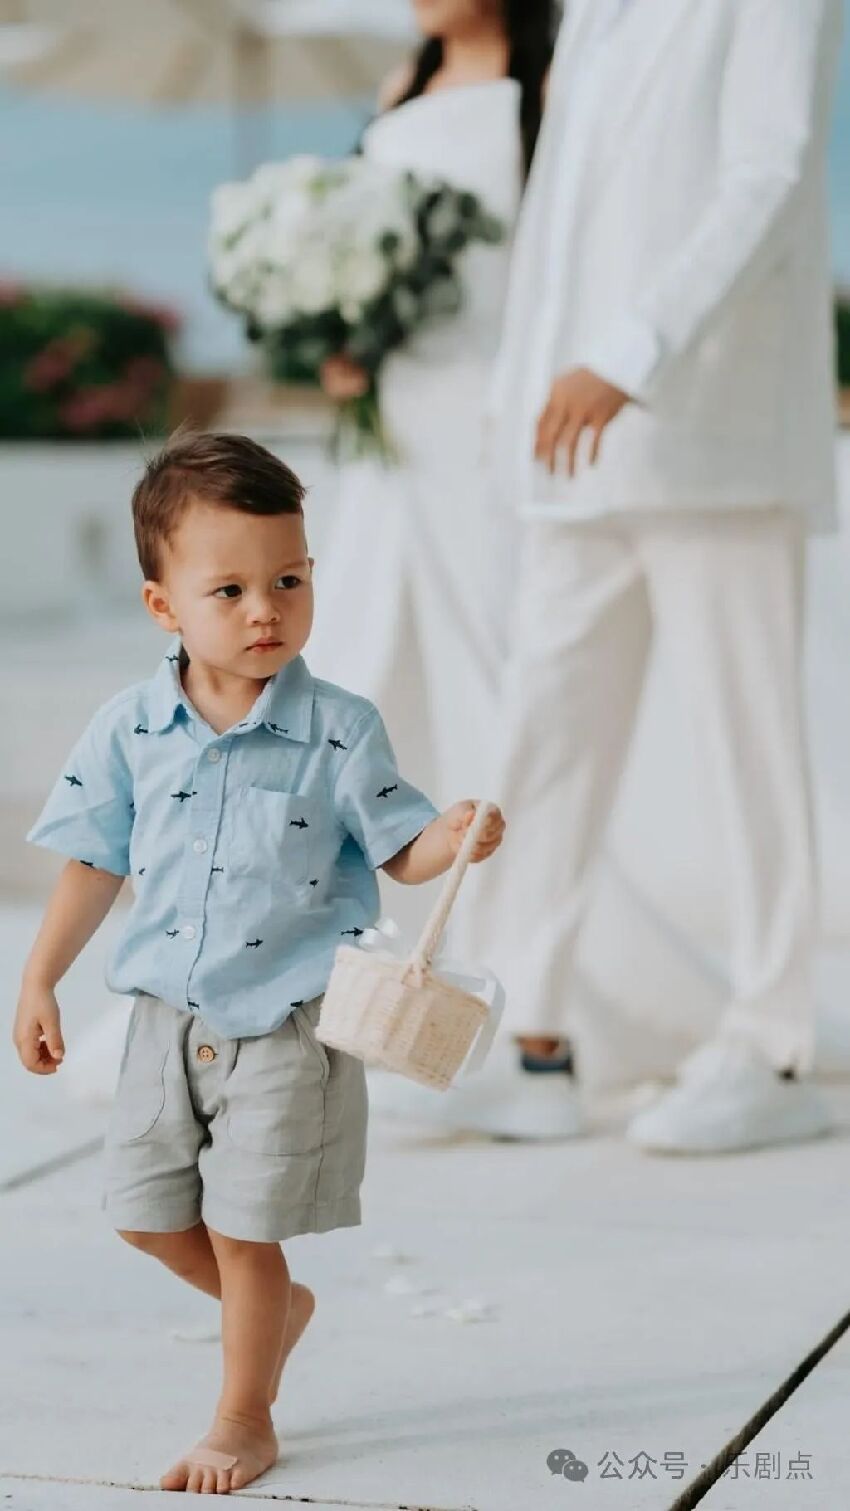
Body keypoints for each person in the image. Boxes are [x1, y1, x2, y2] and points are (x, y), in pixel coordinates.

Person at [12, 430, 505, 1496]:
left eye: (286, 579)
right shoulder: (130, 728)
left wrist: (450, 832)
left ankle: (244, 1415)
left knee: (245, 1231)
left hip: (288, 1023)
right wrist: (40, 975)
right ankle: (275, 1312)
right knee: (147, 1212)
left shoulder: (337, 728)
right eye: (228, 589)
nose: (263, 610)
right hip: (163, 1019)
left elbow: (398, 848)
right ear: (163, 607)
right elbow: (93, 860)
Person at [457, 0, 844, 1153]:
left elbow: (769, 171)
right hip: (569, 447)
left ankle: (769, 1043)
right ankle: (534, 1038)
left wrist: (629, 352)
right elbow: (561, 218)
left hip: (706, 428)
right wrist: (513, 390)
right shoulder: (588, 12)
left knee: (749, 744)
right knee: (542, 735)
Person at [308, 0, 555, 805]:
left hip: (492, 396)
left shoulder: (546, 86)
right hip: (396, 401)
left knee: (488, 627)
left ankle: (503, 840)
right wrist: (341, 344)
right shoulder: (401, 87)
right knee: (361, 617)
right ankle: (354, 844)